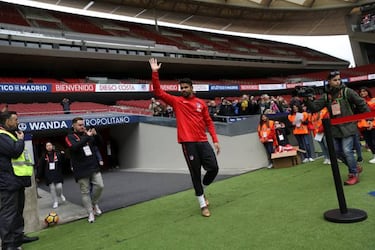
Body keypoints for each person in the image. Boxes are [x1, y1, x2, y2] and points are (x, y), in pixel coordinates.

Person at [149, 58, 220, 217]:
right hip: (188, 143)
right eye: (181, 87)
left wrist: (215, 140)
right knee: (195, 173)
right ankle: (202, 204)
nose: (183, 89)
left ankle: (203, 188)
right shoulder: (176, 101)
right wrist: (155, 72)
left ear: (192, 88)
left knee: (214, 168)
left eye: (186, 87)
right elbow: (158, 92)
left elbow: (209, 122)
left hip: (203, 141)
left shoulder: (201, 103)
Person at [305, 70, 370, 185]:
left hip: (348, 126)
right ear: (329, 81)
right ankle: (354, 166)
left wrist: (369, 119)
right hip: (335, 128)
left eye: (339, 79)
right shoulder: (326, 96)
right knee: (336, 152)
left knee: (347, 150)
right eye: (335, 80)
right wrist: (307, 99)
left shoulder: (347, 92)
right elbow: (315, 108)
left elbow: (362, 103)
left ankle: (354, 173)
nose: (338, 82)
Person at [0, 111, 38, 250]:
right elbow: (14, 151)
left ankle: (18, 237)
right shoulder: (1, 135)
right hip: (8, 180)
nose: (17, 122)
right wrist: (21, 140)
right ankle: (8, 244)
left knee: (18, 210)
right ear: (6, 121)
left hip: (17, 179)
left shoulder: (10, 134)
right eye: (15, 119)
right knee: (9, 213)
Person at [65, 117, 104, 223]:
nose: (82, 127)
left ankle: (94, 203)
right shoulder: (69, 137)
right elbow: (75, 147)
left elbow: (99, 144)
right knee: (85, 192)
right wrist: (87, 136)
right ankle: (90, 213)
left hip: (93, 166)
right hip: (81, 169)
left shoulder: (87, 134)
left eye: (83, 124)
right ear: (74, 126)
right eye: (80, 125)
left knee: (100, 186)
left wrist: (96, 134)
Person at [36, 142, 66, 209]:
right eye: (47, 146)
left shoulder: (57, 153)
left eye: (50, 145)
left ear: (52, 146)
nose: (49, 147)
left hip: (57, 173)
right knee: (52, 189)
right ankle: (55, 202)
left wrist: (63, 155)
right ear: (46, 147)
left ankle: (60, 194)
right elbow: (41, 167)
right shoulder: (44, 156)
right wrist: (38, 176)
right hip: (49, 174)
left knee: (59, 187)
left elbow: (63, 162)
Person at [358, 86, 375, 163]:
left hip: (374, 123)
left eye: (364, 91)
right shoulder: (357, 102)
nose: (362, 93)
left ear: (368, 91)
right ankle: (374, 155)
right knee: (368, 141)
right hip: (363, 125)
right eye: (361, 92)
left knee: (374, 140)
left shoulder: (373, 100)